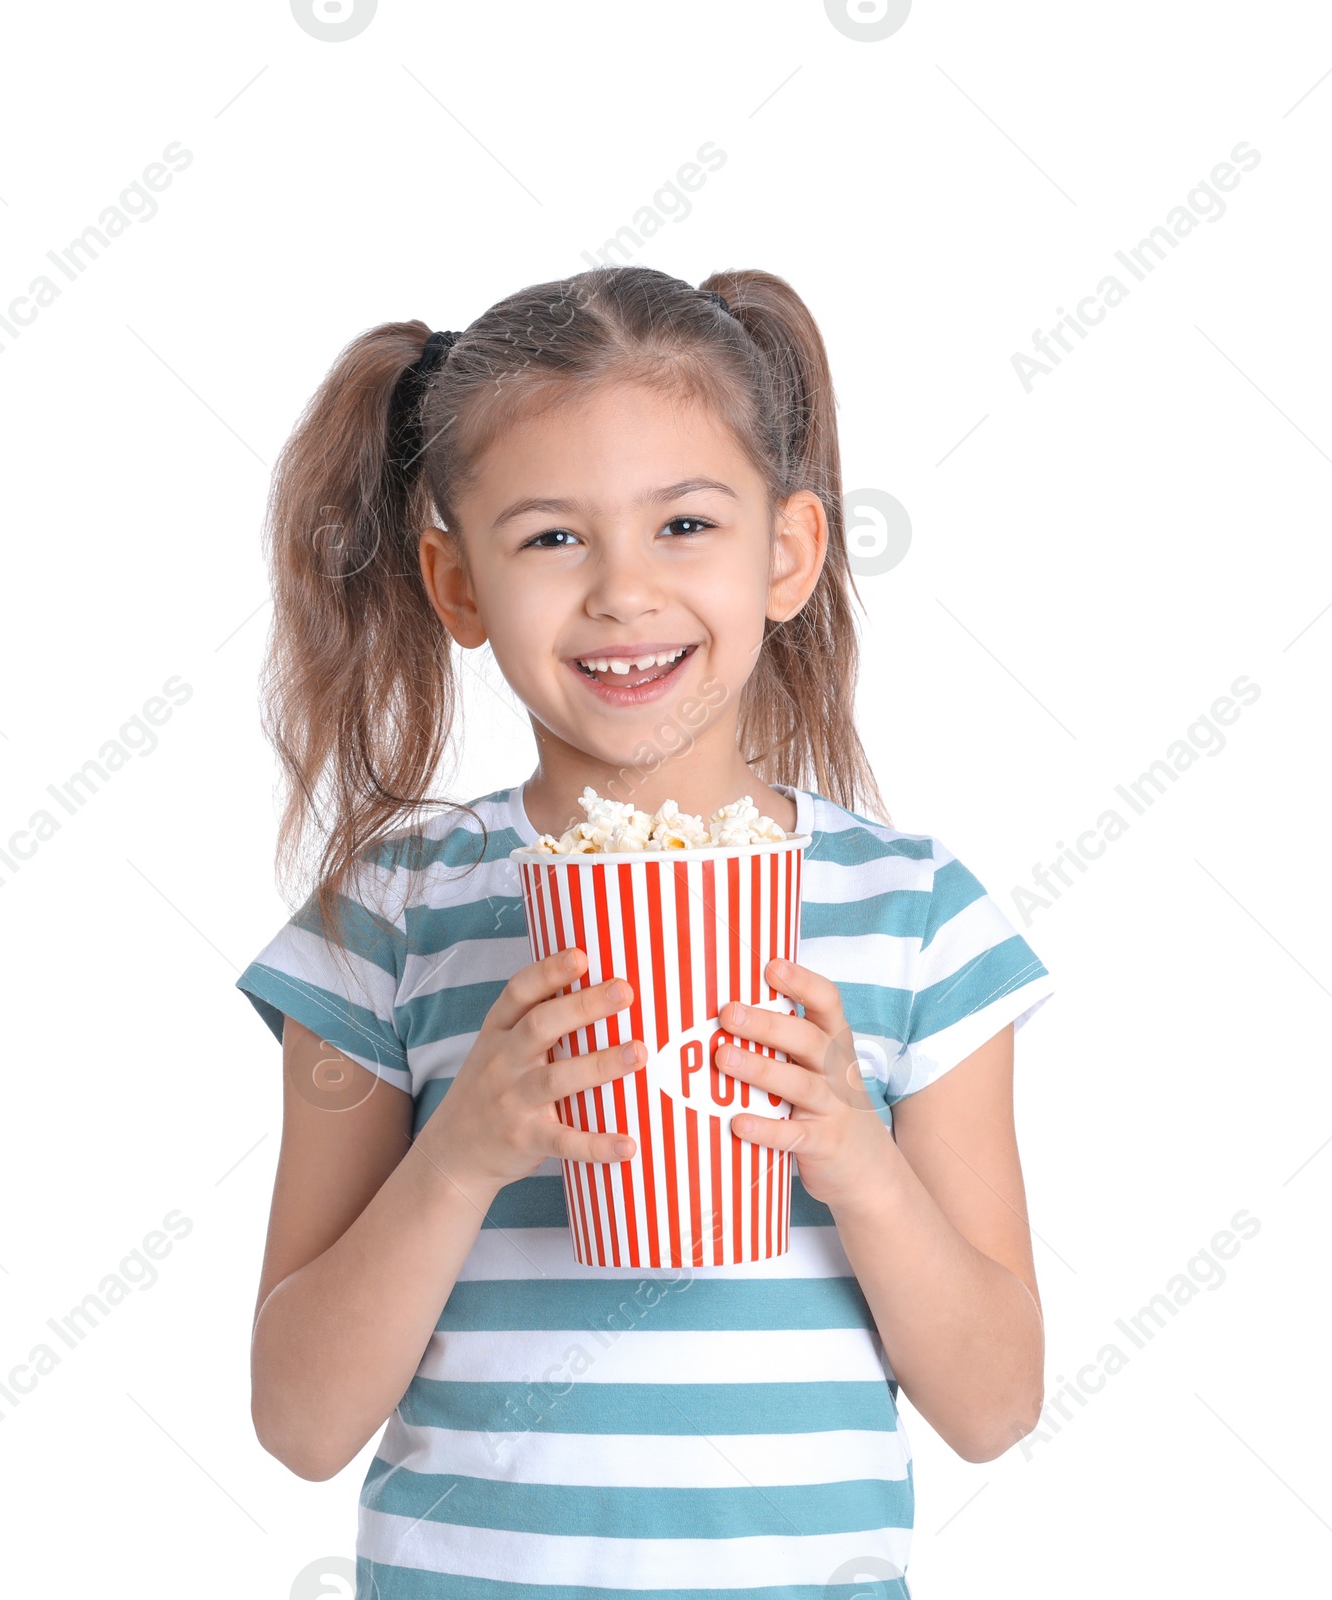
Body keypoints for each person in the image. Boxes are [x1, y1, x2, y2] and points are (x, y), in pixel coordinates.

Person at [236, 264, 1056, 1597]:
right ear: (456, 584)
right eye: (552, 538)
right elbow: (300, 1421)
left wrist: (857, 1159)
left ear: (786, 554)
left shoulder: (913, 917)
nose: (624, 593)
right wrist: (461, 1157)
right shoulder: (386, 915)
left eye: (684, 524)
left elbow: (994, 1405)